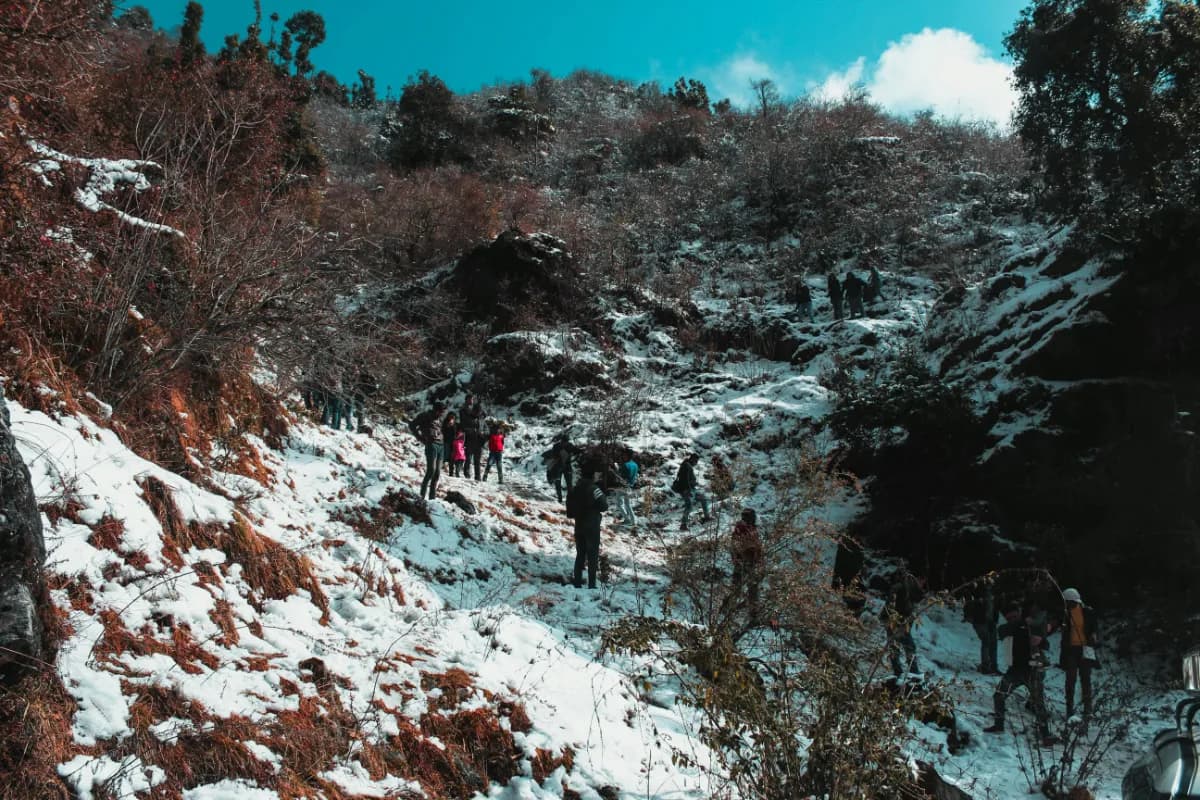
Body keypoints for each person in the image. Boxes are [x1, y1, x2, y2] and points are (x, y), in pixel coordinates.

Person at [984, 601, 1054, 744]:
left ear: (1019, 613)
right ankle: (999, 726)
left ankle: (1045, 734)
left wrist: (1039, 641)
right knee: (999, 695)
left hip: (1031, 670)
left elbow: (1046, 645)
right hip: (1015, 670)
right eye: (1009, 618)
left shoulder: (1031, 626)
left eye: (1014, 616)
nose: (1012, 620)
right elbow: (1003, 630)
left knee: (1039, 703)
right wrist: (1024, 622)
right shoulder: (1011, 627)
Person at [1058, 587, 1099, 722]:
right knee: (1070, 680)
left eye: (1069, 602)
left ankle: (1088, 710)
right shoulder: (1064, 614)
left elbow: (1094, 627)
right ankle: (1070, 710)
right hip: (1070, 650)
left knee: (1085, 679)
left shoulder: (1088, 612)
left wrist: (1093, 636)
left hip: (1085, 649)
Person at [566, 466, 608, 589]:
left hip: (578, 525)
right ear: (592, 476)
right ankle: (592, 584)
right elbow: (604, 506)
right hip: (592, 525)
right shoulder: (594, 489)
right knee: (592, 555)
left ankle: (577, 582)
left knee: (580, 554)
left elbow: (569, 512)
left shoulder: (574, 489)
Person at [881, 570, 923, 677]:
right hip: (895, 621)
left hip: (897, 621)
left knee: (896, 646)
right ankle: (911, 672)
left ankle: (899, 672)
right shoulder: (902, 588)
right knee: (908, 646)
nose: (922, 583)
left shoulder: (910, 590)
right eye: (921, 580)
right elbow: (892, 604)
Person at [730, 508, 765, 622]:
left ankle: (733, 610)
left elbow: (757, 546)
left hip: (747, 562)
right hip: (745, 562)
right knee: (749, 588)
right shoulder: (741, 529)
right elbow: (737, 546)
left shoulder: (749, 528)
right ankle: (751, 614)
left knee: (743, 587)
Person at [409, 401, 447, 500]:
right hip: (431, 445)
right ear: (436, 410)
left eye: (443, 412)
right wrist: (420, 438)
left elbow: (441, 430)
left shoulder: (440, 419)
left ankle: (432, 498)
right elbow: (412, 425)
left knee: (437, 473)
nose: (442, 413)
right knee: (431, 471)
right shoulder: (425, 416)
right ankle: (422, 495)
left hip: (441, 446)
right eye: (441, 411)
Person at [964, 582, 1000, 674]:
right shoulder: (978, 593)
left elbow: (995, 608)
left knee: (993, 643)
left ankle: (993, 666)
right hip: (980, 621)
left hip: (990, 622)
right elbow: (970, 604)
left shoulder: (993, 593)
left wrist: (995, 620)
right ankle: (985, 666)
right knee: (986, 641)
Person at [675, 453, 710, 531]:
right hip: (687, 490)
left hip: (691, 489)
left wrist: (693, 484)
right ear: (693, 459)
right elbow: (685, 480)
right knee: (689, 506)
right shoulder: (687, 466)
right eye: (696, 461)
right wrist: (689, 489)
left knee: (703, 499)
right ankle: (683, 525)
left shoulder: (686, 465)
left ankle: (707, 517)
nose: (696, 463)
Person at [459, 394, 487, 481]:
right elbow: (463, 426)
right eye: (477, 411)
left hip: (479, 441)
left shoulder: (481, 420)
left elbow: (486, 428)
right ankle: (466, 473)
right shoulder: (466, 414)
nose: (479, 413)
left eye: (480, 411)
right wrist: (472, 431)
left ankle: (478, 477)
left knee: (477, 460)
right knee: (468, 458)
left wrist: (484, 434)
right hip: (470, 439)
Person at [612, 452, 639, 527]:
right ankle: (633, 521)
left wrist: (616, 469)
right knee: (628, 505)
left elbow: (620, 476)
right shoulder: (635, 465)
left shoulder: (625, 465)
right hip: (630, 486)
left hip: (622, 486)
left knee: (619, 504)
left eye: (624, 455)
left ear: (627, 456)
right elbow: (635, 475)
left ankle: (627, 519)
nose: (623, 456)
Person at [547, 436, 575, 504]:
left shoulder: (570, 446)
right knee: (558, 483)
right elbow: (553, 455)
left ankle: (570, 499)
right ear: (561, 441)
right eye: (564, 442)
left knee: (569, 484)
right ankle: (560, 498)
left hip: (566, 466)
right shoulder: (556, 446)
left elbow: (573, 453)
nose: (565, 443)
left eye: (566, 442)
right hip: (558, 467)